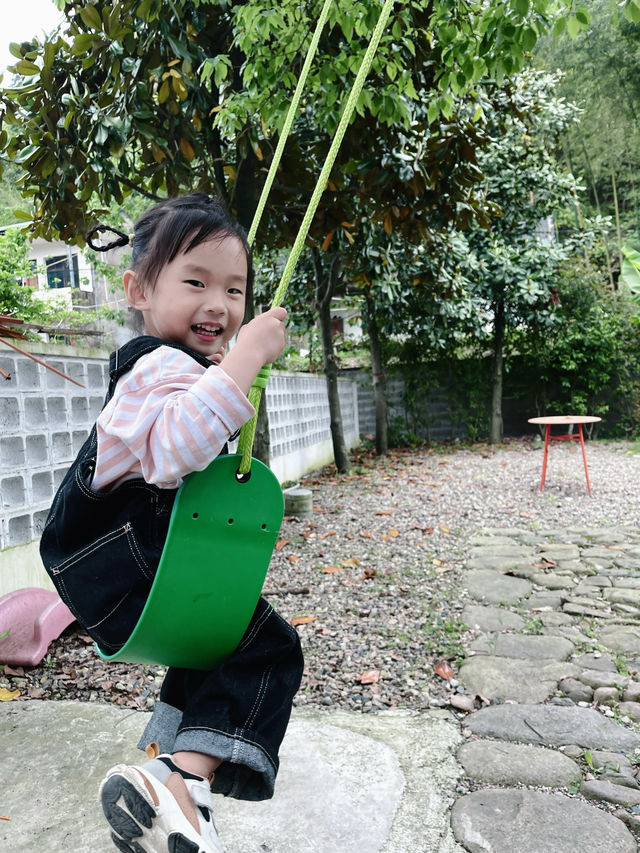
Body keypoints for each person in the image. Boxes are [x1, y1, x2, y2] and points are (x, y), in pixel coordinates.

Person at [39, 193, 304, 853]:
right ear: (137, 291)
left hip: (132, 570)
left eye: (234, 289)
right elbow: (175, 447)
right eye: (195, 282)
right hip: (118, 565)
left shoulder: (185, 372)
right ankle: (180, 777)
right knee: (268, 648)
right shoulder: (153, 369)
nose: (217, 303)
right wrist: (247, 357)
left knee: (212, 647)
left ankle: (164, 788)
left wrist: (231, 372)